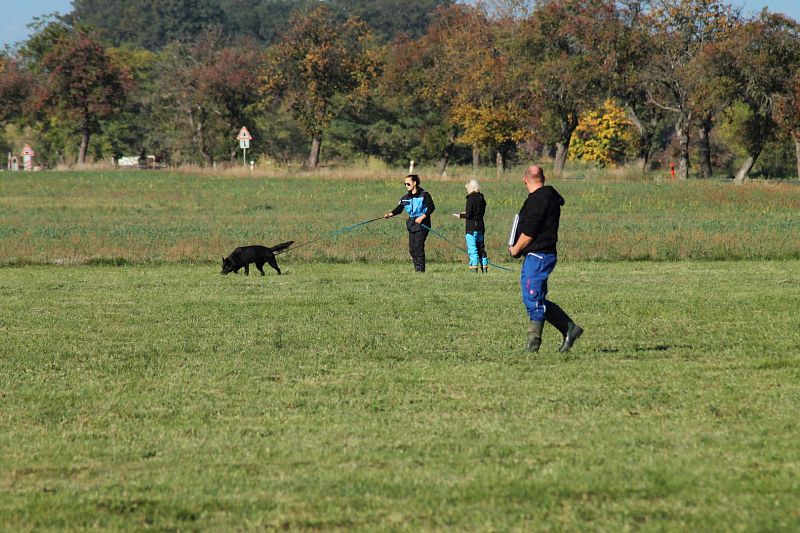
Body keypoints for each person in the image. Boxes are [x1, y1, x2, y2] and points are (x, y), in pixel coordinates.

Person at [508, 165, 583, 353]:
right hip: (540, 255)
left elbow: (530, 230)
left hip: (538, 255)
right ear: (544, 178)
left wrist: (516, 248)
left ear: (525, 179)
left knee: (533, 299)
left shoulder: (538, 200)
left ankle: (532, 346)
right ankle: (570, 329)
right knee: (534, 297)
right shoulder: (546, 198)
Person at [384, 174, 435, 272]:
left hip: (423, 224)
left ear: (414, 183)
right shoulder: (405, 197)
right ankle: (417, 269)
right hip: (412, 224)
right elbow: (399, 208)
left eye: (408, 183)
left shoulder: (424, 195)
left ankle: (420, 270)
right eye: (405, 184)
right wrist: (390, 214)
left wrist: (422, 217)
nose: (406, 185)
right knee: (412, 249)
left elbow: (431, 207)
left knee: (418, 246)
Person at [452, 179, 488, 273]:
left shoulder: (470, 199)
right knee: (481, 249)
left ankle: (474, 268)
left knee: (472, 249)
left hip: (471, 228)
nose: (467, 190)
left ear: (471, 188)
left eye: (467, 188)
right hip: (480, 226)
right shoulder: (482, 198)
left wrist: (459, 215)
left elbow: (468, 215)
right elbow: (477, 212)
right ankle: (484, 267)